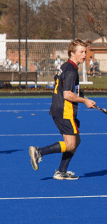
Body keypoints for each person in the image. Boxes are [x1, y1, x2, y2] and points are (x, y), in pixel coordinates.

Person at [28, 39, 97, 180]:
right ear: (72, 53)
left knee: (76, 141)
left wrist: (82, 96)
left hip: (59, 109)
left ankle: (61, 171)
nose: (84, 55)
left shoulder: (65, 66)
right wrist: (85, 101)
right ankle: (39, 152)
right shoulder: (71, 71)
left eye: (85, 52)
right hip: (65, 111)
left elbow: (64, 87)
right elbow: (67, 94)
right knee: (71, 144)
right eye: (81, 52)